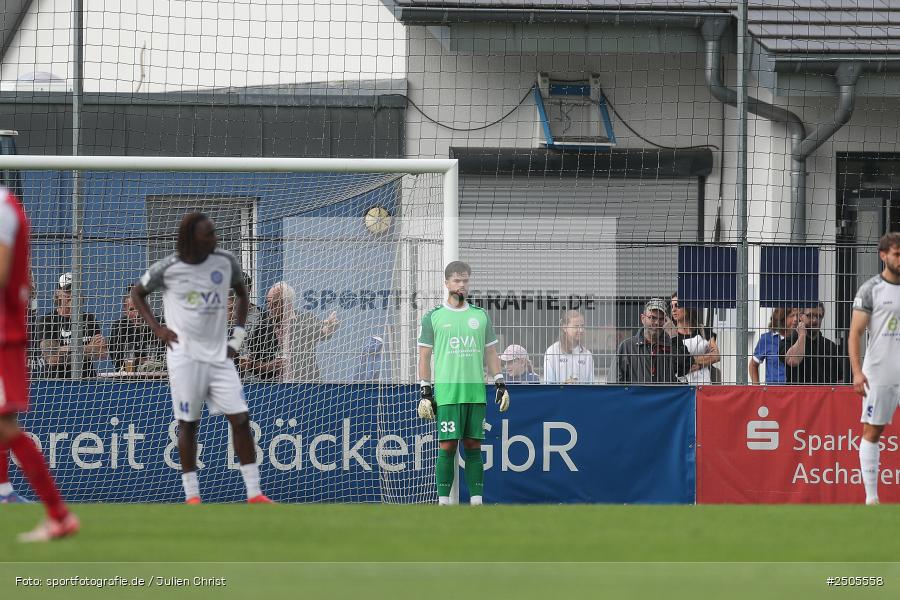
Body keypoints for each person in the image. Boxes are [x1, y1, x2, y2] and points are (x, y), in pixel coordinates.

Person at [131, 212, 272, 504]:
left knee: (241, 419)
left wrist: (237, 338)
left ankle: (254, 493)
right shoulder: (168, 268)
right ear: (192, 238)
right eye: (208, 233)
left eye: (214, 232)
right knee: (189, 424)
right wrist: (158, 328)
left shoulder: (225, 261)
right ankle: (192, 496)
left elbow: (243, 295)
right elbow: (138, 293)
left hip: (219, 356)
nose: (215, 238)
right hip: (184, 358)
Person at [0, 186, 79, 539]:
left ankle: (58, 515)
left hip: (3, 336)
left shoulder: (2, 208)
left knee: (7, 428)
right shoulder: (9, 205)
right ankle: (55, 514)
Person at [417, 261, 509, 506]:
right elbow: (424, 355)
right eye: (457, 280)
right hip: (447, 393)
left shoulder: (479, 316)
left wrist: (500, 382)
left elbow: (491, 353)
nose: (462, 284)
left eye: (465, 280)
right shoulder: (433, 318)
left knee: (473, 445)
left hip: (475, 393)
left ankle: (477, 503)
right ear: (446, 283)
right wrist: (426, 390)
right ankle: (443, 502)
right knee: (447, 446)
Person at [850, 232, 900, 505]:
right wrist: (857, 372)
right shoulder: (870, 290)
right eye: (897, 254)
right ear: (884, 256)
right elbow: (855, 333)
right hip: (879, 373)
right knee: (873, 431)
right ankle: (872, 498)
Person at [241, 282, 339, 382]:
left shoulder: (305, 320)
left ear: (288, 303)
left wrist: (331, 326)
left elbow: (324, 333)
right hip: (272, 388)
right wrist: (269, 366)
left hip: (305, 384)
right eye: (267, 302)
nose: (269, 307)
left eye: (274, 303)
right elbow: (251, 364)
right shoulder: (262, 325)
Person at [36, 272, 108, 378]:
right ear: (58, 294)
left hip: (87, 380)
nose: (73, 295)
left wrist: (63, 350)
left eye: (76, 290)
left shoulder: (89, 319)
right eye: (68, 291)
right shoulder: (47, 321)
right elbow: (52, 359)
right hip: (58, 382)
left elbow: (102, 353)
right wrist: (89, 347)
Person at [615, 298, 693, 384]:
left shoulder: (670, 344)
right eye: (652, 317)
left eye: (661, 319)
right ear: (643, 318)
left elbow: (685, 367)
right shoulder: (627, 347)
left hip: (665, 396)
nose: (656, 322)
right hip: (637, 396)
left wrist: (674, 336)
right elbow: (615, 381)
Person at [780, 302, 845, 384]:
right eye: (810, 315)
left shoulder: (830, 346)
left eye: (819, 316)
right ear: (800, 317)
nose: (815, 320)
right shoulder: (788, 342)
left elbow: (840, 379)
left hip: (825, 395)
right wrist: (802, 334)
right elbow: (793, 361)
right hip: (799, 395)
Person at [108, 291, 166, 372]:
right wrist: (138, 362)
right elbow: (118, 363)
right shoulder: (118, 328)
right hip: (128, 380)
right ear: (125, 311)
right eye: (132, 309)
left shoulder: (159, 324)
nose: (137, 314)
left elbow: (166, 359)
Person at [670, 294, 720, 385]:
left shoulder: (703, 331)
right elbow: (674, 363)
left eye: (677, 305)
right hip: (680, 386)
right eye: (672, 306)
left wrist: (691, 362)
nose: (673, 310)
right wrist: (704, 360)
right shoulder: (671, 334)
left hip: (705, 384)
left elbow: (716, 356)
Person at [543, 310, 594, 384]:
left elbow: (590, 385)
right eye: (576, 326)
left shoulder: (587, 355)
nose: (581, 330)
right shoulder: (552, 352)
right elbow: (548, 384)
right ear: (564, 328)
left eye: (582, 326)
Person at [749, 307, 794, 384]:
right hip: (773, 391)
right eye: (791, 316)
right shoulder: (767, 339)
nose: (796, 319)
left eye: (797, 315)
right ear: (782, 318)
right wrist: (756, 388)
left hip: (795, 390)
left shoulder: (799, 338)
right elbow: (753, 365)